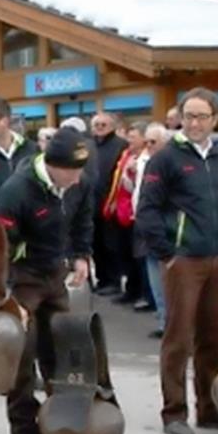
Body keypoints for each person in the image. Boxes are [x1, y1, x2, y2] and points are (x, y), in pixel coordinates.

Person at [137, 87, 218, 434]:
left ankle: (209, 410)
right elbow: (146, 210)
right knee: (178, 337)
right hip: (184, 261)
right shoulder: (165, 158)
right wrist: (167, 254)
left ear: (214, 119)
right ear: (181, 117)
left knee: (215, 338)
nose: (195, 122)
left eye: (202, 116)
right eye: (189, 115)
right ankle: (174, 412)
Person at [0, 127, 93, 434]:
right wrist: (8, 298)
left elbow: (82, 220)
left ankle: (60, 427)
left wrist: (81, 255)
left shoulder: (80, 183)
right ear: (52, 165)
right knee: (21, 358)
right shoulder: (16, 190)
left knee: (62, 353)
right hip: (22, 277)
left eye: (82, 170)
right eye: (72, 171)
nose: (78, 178)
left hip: (55, 274)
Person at [104, 121, 147, 308]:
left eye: (134, 135)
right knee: (125, 252)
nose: (129, 139)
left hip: (136, 212)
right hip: (122, 211)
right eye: (129, 136)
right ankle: (130, 290)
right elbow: (118, 183)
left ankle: (143, 294)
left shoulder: (146, 158)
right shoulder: (126, 155)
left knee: (139, 256)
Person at [136, 123, 170, 338]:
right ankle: (163, 320)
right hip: (145, 230)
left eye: (153, 142)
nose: (148, 146)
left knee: (166, 284)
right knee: (156, 283)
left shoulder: (169, 164)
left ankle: (169, 323)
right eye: (146, 142)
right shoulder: (144, 162)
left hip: (165, 232)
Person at [90, 112, 129, 297]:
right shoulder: (88, 145)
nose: (99, 127)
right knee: (95, 244)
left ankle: (114, 281)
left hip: (111, 204)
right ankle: (101, 278)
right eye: (96, 124)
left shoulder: (121, 146)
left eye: (103, 124)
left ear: (112, 126)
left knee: (111, 244)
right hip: (91, 203)